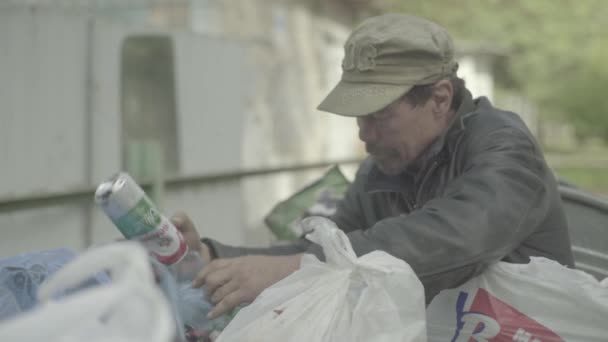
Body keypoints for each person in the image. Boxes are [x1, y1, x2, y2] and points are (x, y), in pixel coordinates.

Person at [171, 13, 574, 319]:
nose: (364, 134)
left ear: (438, 97)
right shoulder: (381, 169)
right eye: (358, 117)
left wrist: (292, 268)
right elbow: (325, 249)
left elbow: (449, 240)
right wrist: (212, 256)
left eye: (378, 115)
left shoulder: (505, 149)